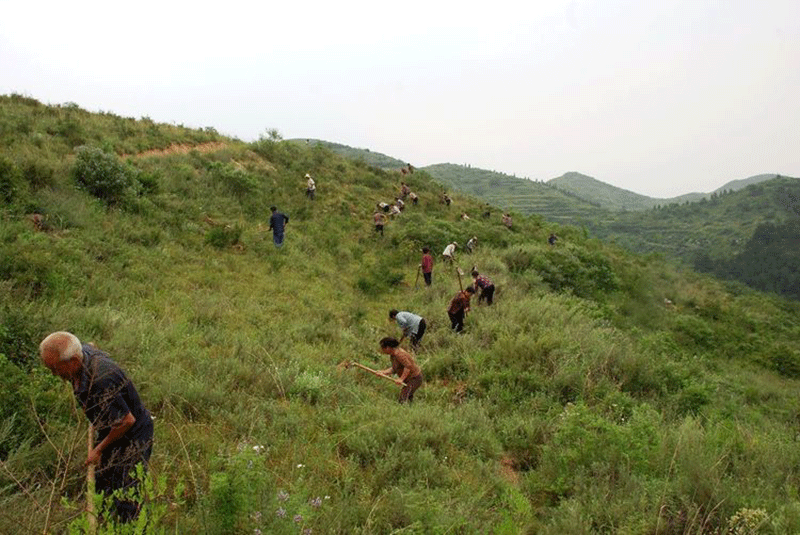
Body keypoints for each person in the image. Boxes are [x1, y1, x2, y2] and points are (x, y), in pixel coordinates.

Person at [39, 332, 153, 523]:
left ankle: (134, 525)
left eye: (55, 369)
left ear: (74, 361)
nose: (54, 374)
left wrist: (98, 450)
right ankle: (107, 521)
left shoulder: (101, 380)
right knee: (104, 481)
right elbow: (91, 344)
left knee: (127, 490)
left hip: (133, 434)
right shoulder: (83, 354)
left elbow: (126, 421)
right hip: (111, 427)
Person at [378, 337, 423, 403]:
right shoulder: (393, 355)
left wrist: (401, 379)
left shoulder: (399, 354)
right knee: (408, 398)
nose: (382, 350)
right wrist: (383, 372)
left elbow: (408, 367)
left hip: (414, 378)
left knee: (403, 398)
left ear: (388, 347)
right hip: (409, 379)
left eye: (383, 348)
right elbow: (394, 368)